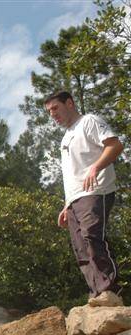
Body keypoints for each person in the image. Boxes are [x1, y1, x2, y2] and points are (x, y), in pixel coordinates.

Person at [44, 90, 125, 307]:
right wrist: (66, 204)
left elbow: (115, 145)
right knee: (80, 249)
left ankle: (110, 291)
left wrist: (96, 167)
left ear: (69, 103)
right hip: (75, 199)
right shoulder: (65, 137)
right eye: (49, 112)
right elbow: (73, 174)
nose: (52, 115)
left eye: (55, 108)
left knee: (92, 237)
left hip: (96, 191)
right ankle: (97, 293)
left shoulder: (89, 121)